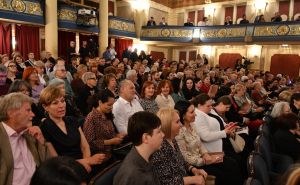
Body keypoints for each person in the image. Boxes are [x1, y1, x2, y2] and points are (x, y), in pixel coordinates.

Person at [39, 86, 106, 173]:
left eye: (63, 101)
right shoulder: (45, 127)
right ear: (45, 107)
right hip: (66, 170)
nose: (61, 106)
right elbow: (57, 161)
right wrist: (87, 162)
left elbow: (85, 146)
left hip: (86, 160)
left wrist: (87, 162)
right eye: (55, 103)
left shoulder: (72, 120)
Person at [175, 100, 243, 185]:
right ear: (183, 115)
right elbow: (185, 157)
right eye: (192, 112)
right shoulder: (178, 132)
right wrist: (204, 161)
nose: (195, 114)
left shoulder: (192, 125)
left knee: (231, 164)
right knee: (220, 175)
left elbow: (200, 144)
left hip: (204, 158)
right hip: (195, 164)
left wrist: (205, 154)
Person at [0, 92, 51, 185]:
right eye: (28, 110)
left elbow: (48, 166)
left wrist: (41, 141)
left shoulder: (30, 134)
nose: (33, 115)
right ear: (11, 113)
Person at [151, 108, 207, 185]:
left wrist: (194, 169)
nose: (181, 125)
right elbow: (166, 182)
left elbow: (181, 161)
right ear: (167, 125)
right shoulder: (159, 147)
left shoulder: (172, 140)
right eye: (177, 122)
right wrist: (191, 179)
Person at [113, 111, 164, 185]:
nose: (163, 135)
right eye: (159, 131)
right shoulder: (133, 175)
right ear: (146, 138)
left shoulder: (147, 156)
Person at [83, 89, 125, 155]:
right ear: (100, 102)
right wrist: (110, 142)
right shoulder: (91, 118)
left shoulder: (107, 114)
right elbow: (89, 143)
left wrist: (117, 136)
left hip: (113, 150)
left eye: (112, 105)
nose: (111, 107)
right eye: (109, 105)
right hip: (101, 155)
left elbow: (110, 134)